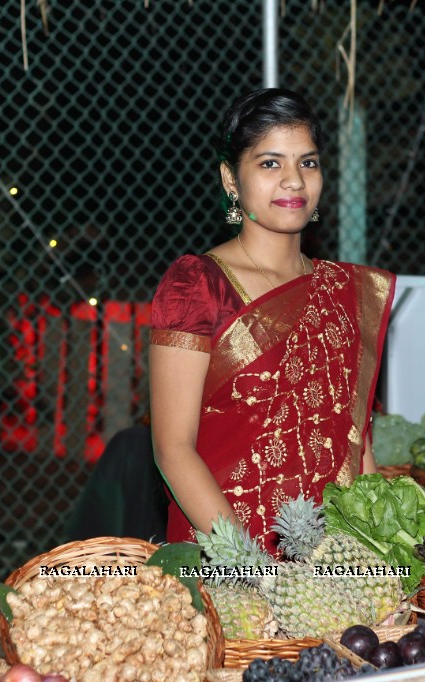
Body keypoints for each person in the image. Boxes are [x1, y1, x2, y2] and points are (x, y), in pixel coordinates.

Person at [148, 88, 396, 556]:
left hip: (331, 558)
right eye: (269, 164)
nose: (294, 181)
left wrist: (373, 549)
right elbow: (173, 449)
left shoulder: (343, 291)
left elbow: (355, 442)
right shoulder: (197, 285)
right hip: (226, 557)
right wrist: (250, 565)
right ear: (230, 179)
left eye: (308, 162)